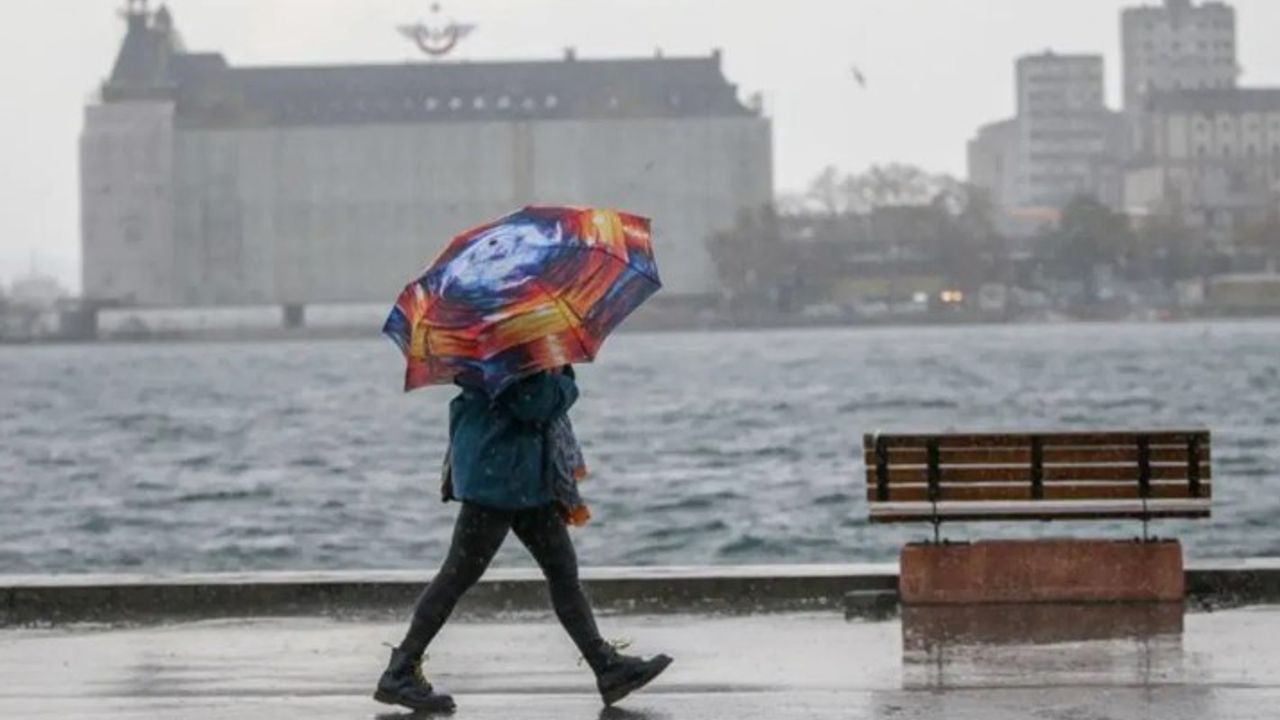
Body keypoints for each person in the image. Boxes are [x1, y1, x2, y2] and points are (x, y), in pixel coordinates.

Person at [374, 366, 672, 713]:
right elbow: (534, 402)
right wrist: (565, 380)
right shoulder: (509, 348)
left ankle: (607, 666)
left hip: (518, 475)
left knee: (560, 572)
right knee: (458, 575)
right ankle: (401, 669)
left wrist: (555, 372)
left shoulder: (490, 342)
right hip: (500, 478)